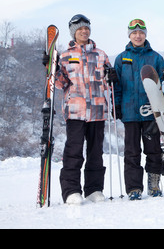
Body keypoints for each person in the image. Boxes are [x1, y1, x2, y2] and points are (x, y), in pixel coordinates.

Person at [55, 14, 111, 204]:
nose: (84, 31)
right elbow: (60, 83)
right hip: (75, 111)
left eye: (86, 28)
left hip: (97, 110)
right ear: (73, 32)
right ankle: (71, 191)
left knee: (96, 152)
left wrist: (113, 77)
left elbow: (109, 82)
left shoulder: (101, 55)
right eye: (80, 29)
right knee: (74, 151)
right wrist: (51, 70)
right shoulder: (65, 56)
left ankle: (94, 189)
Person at [113, 19, 164, 200]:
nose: (138, 36)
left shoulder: (156, 58)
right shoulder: (121, 58)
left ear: (145, 34)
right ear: (129, 35)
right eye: (134, 33)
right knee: (132, 151)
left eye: (141, 32)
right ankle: (134, 188)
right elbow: (117, 86)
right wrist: (117, 106)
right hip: (130, 113)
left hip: (152, 112)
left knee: (153, 150)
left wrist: (163, 103)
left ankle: (154, 184)